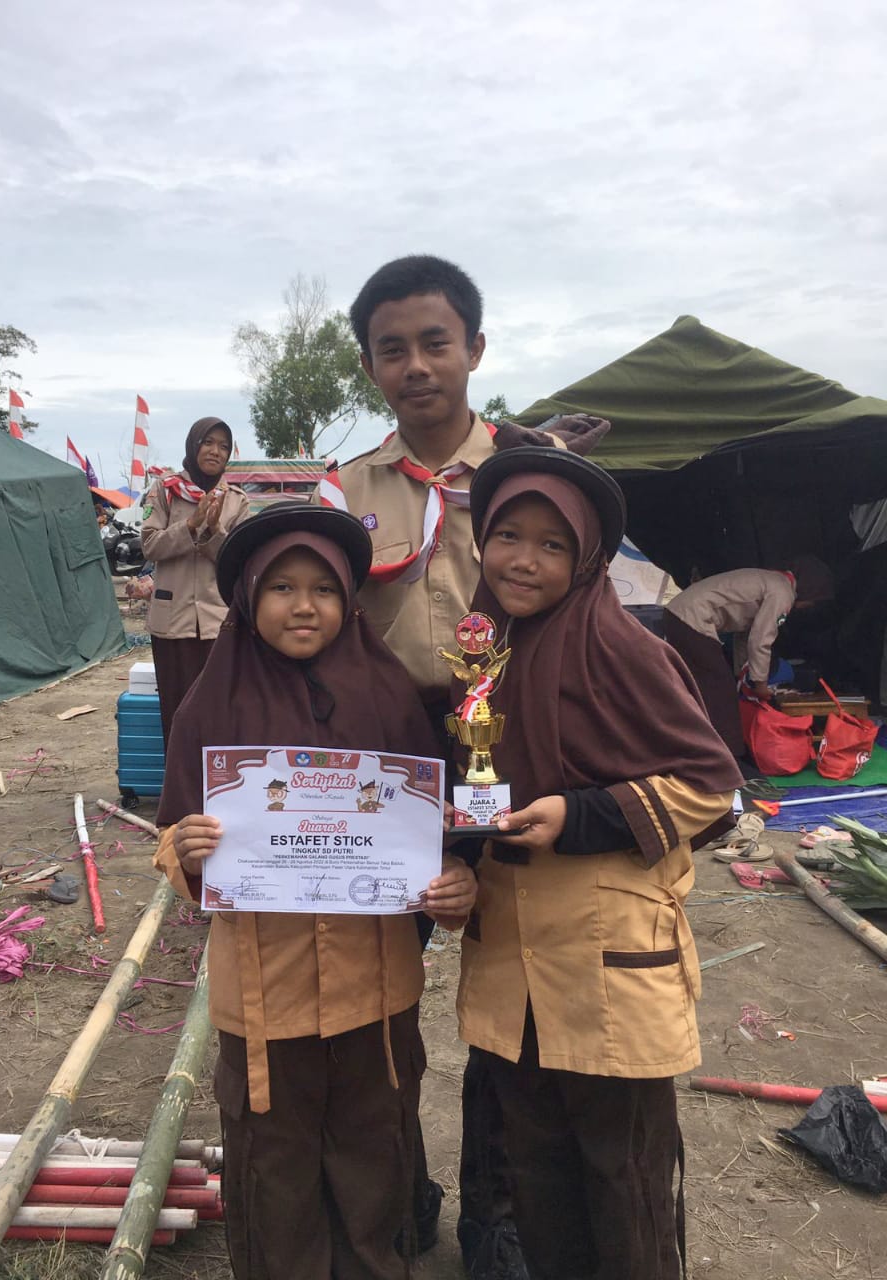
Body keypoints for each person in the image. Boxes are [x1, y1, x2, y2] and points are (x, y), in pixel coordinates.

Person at [315, 254, 611, 1279]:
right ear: (370, 366)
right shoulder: (344, 490)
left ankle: (502, 1209)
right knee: (376, 984)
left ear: (475, 349)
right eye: (391, 349)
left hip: (514, 750)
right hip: (389, 758)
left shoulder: (534, 475)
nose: (416, 365)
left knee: (512, 985)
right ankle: (396, 1191)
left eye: (435, 342)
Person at [153, 502, 477, 1280]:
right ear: (247, 598)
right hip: (265, 993)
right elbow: (172, 835)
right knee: (276, 1165)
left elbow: (430, 836)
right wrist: (185, 852)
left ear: (350, 602)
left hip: (376, 986)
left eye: (325, 589)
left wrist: (454, 884)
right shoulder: (213, 702)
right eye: (283, 588)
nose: (305, 607)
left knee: (372, 1153)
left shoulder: (387, 695)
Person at [454, 446, 743, 1280]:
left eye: (553, 544)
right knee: (537, 1176)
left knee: (625, 1180)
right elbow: (477, 777)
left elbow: (712, 787)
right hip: (513, 962)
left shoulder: (623, 648)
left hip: (608, 957)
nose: (524, 560)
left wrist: (578, 816)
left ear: (587, 559)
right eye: (508, 535)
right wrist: (458, 845)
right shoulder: (483, 651)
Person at [141, 417, 251, 745]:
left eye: (224, 446)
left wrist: (215, 531)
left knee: (219, 711)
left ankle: (215, 777)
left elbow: (239, 561)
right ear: (193, 445)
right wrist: (190, 525)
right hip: (172, 623)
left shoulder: (236, 500)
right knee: (176, 711)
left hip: (218, 623)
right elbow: (150, 545)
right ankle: (179, 777)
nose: (216, 451)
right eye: (209, 442)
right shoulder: (165, 490)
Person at [662, 555, 836, 756]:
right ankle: (729, 755)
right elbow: (761, 638)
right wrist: (760, 684)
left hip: (678, 614)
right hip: (691, 619)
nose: (809, 607)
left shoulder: (773, 581)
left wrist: (742, 675)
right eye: (813, 602)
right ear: (811, 589)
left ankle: (692, 746)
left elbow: (745, 635)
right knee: (720, 689)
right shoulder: (783, 593)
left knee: (699, 686)